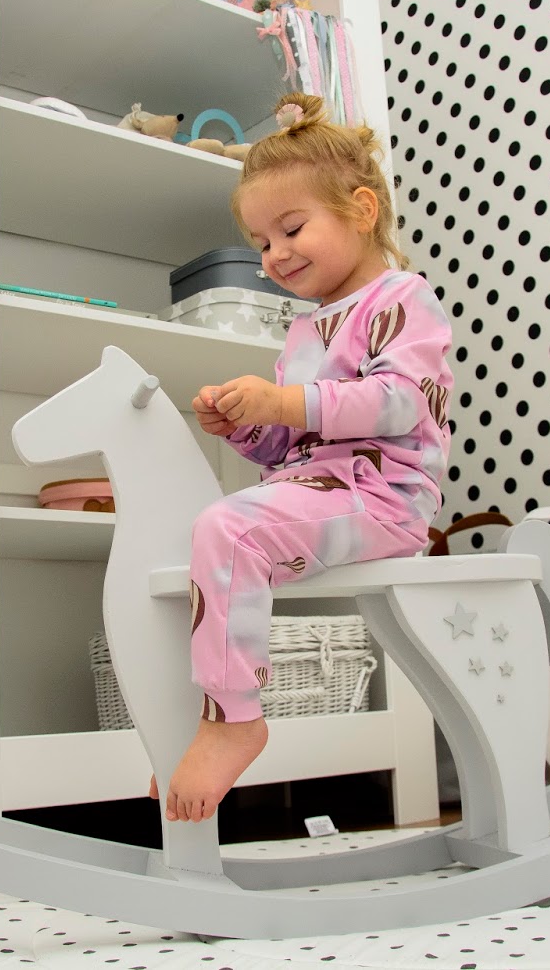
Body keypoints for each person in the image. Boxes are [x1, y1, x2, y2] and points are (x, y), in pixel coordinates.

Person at [162, 93, 455, 824]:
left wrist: (285, 402)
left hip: (383, 498)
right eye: (262, 242)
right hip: (321, 487)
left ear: (361, 209)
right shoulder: (306, 329)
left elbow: (400, 403)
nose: (275, 255)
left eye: (291, 229)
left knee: (226, 530)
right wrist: (246, 427)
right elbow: (293, 447)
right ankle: (220, 715)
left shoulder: (403, 298)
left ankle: (233, 718)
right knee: (220, 529)